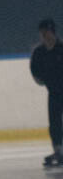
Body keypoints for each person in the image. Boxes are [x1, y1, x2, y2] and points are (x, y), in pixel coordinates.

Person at [31, 18, 63, 167]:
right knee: (54, 123)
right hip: (54, 93)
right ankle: (58, 150)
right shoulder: (39, 52)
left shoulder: (61, 48)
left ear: (53, 32)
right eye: (42, 33)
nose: (44, 36)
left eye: (46, 33)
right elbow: (36, 73)